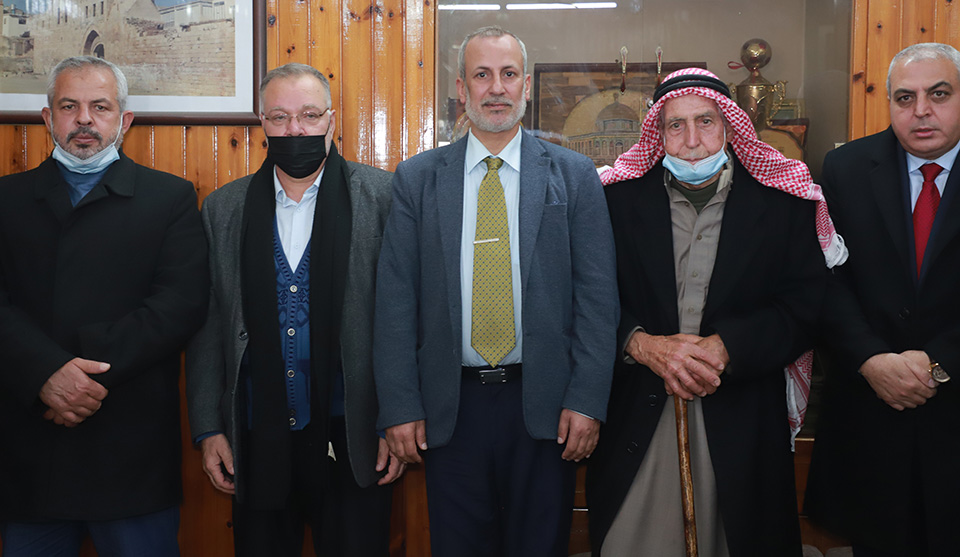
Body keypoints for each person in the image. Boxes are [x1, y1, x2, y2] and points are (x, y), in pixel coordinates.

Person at [373, 26, 618, 556]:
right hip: (449, 408)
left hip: (546, 406)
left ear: (526, 85)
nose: (497, 88)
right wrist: (399, 404)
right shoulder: (417, 179)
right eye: (482, 75)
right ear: (462, 89)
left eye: (509, 74)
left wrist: (587, 400)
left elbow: (598, 300)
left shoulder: (575, 176)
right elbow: (395, 302)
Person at [587, 67, 839, 556]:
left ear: (728, 126)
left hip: (742, 413)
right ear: (658, 134)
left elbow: (807, 306)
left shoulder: (782, 203)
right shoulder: (613, 201)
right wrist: (641, 344)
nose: (691, 140)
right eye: (675, 125)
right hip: (638, 411)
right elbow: (590, 296)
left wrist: (729, 347)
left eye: (705, 121)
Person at [185, 63, 400, 557]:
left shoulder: (382, 198)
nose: (295, 129)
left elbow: (403, 319)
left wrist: (398, 418)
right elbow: (208, 327)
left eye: (309, 115)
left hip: (356, 432)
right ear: (262, 122)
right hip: (255, 433)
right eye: (280, 117)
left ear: (331, 119)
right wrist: (208, 427)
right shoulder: (224, 208)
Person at [0, 56, 208, 556]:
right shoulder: (6, 199)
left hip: (129, 450)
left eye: (100, 106)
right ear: (48, 117)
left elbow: (179, 305)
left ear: (124, 119)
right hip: (33, 447)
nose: (84, 120)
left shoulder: (170, 198)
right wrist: (45, 372)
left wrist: (78, 372)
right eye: (68, 106)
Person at [804, 42, 960, 557]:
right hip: (872, 415)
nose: (921, 110)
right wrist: (871, 359)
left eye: (940, 94)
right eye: (905, 97)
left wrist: (937, 363)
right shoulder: (845, 168)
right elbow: (824, 279)